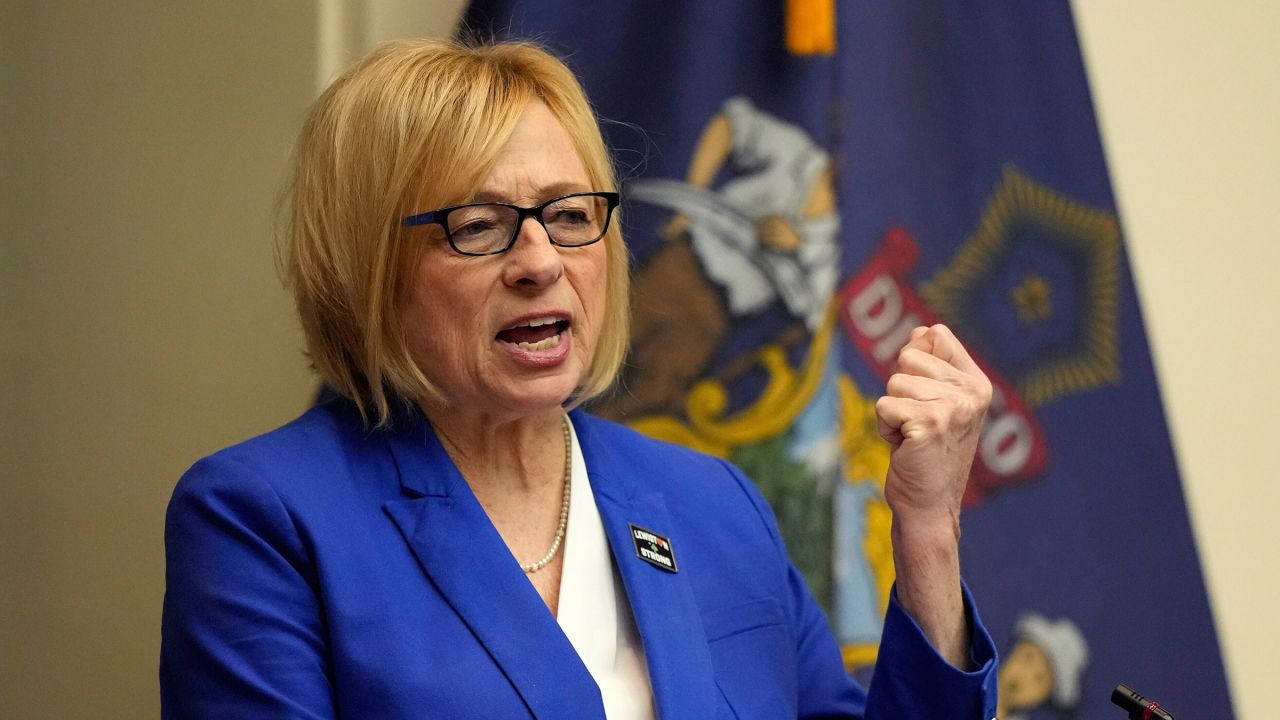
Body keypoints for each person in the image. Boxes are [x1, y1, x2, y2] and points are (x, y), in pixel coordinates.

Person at [160, 39, 999, 719]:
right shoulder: (264, 517)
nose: (541, 262)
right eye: (480, 226)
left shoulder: (711, 503)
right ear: (367, 268)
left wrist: (925, 529)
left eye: (569, 217)